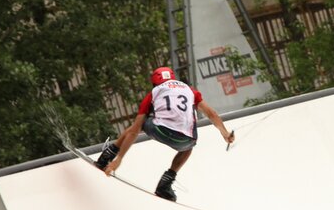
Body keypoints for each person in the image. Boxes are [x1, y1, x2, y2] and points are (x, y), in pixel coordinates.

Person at [94, 66, 234, 201]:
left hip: (160, 130)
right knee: (188, 148)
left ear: (155, 83)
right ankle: (165, 184)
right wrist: (225, 134)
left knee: (138, 125)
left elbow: (135, 131)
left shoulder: (153, 93)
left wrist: (119, 159)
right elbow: (211, 114)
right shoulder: (190, 91)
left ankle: (108, 155)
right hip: (186, 140)